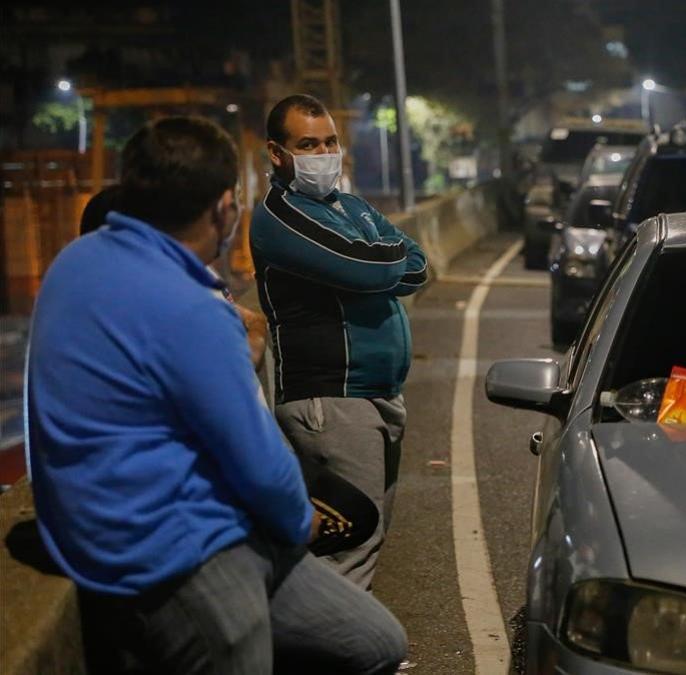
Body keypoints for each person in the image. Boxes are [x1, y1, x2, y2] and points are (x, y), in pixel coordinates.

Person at [26, 116, 407, 674]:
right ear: (225, 207)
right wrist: (303, 521)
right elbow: (260, 464)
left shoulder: (74, 264)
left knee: (375, 641)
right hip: (175, 557)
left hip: (96, 528)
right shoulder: (192, 309)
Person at [250, 94, 428, 589]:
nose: (324, 153)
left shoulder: (346, 206)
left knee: (367, 537)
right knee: (349, 549)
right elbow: (372, 267)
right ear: (276, 152)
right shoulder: (280, 216)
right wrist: (381, 258)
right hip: (330, 400)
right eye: (308, 144)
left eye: (329, 141)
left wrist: (380, 258)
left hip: (377, 396)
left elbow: (418, 265)